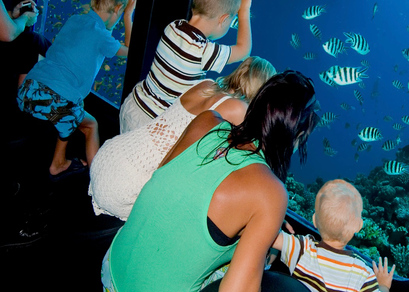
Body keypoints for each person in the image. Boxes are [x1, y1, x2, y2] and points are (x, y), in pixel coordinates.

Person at [101, 70, 320, 292]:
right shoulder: (271, 193)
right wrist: (263, 233)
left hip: (111, 267)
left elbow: (168, 185)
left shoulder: (207, 121)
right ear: (296, 136)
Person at [89, 56, 276, 221]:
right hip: (127, 183)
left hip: (110, 154)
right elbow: (256, 150)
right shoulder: (239, 109)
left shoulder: (205, 84)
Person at [16, 0, 136, 181]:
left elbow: (96, 37)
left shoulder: (75, 20)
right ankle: (98, 181)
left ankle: (59, 161)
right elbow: (132, 50)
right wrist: (128, 16)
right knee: (90, 125)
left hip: (27, 91)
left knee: (68, 111)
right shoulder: (102, 37)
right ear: (117, 9)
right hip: (57, 100)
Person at [119, 0, 252, 134]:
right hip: (152, 122)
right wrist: (244, 11)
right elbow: (244, 50)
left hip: (134, 103)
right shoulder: (202, 51)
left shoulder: (173, 27)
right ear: (223, 20)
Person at [272, 179, 396, 292]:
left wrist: (279, 221)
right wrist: (384, 286)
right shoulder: (362, 272)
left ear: (314, 220)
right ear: (358, 226)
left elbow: (269, 236)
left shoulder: (302, 247)